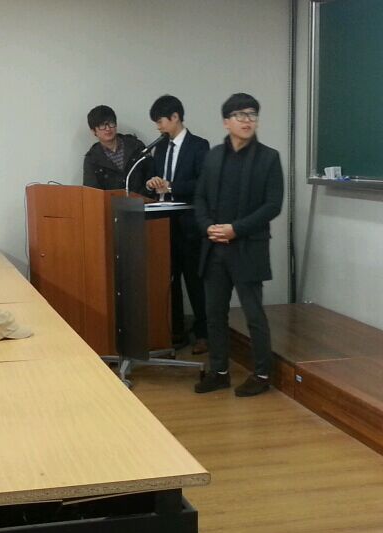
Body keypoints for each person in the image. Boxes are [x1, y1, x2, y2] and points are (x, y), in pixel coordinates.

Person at [193, 93, 284, 397]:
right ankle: (219, 372)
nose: (247, 120)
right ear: (226, 122)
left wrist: (235, 230)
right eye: (240, 115)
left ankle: (262, 374)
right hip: (214, 248)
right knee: (214, 314)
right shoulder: (214, 156)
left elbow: (273, 205)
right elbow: (200, 197)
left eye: (252, 115)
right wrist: (207, 226)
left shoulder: (269, 158)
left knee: (253, 314)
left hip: (248, 247)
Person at [145, 94, 211, 353]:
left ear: (175, 117)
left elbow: (203, 183)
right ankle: (175, 331)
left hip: (190, 224)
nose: (158, 127)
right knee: (169, 280)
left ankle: (203, 333)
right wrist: (153, 183)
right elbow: (158, 180)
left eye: (160, 121)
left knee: (195, 281)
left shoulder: (199, 145)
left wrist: (172, 186)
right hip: (164, 224)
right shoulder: (161, 147)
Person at [82, 105, 150, 194]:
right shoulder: (92, 159)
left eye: (111, 123)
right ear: (93, 131)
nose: (108, 129)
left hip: (142, 200)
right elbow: (91, 192)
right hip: (110, 202)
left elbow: (151, 175)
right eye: (102, 125)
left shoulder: (136, 146)